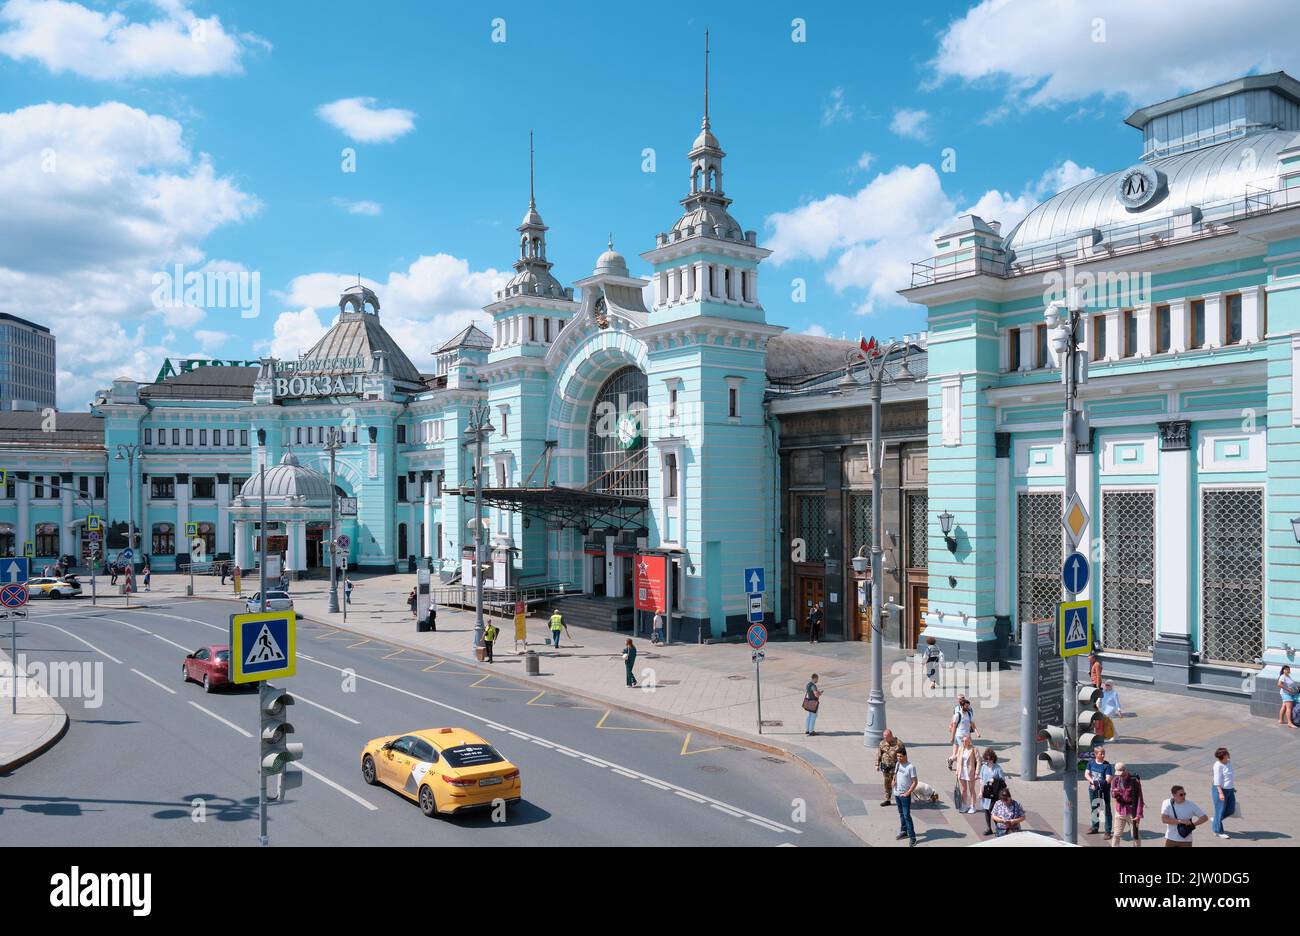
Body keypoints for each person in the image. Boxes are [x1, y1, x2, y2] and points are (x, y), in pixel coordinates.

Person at [1111, 761, 1145, 847]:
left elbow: (1140, 798)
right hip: (1120, 810)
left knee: (1135, 835)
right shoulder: (1115, 779)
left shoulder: (1134, 781)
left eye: (1121, 773)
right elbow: (1112, 793)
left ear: (1125, 770)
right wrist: (1115, 793)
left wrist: (1138, 814)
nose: (1119, 775)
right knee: (1116, 834)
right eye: (1118, 773)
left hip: (1132, 811)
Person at [1086, 745, 1115, 837]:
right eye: (1101, 754)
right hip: (1093, 790)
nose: (1103, 755)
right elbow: (1086, 774)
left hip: (1104, 790)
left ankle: (1107, 831)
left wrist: (1097, 784)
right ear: (1095, 754)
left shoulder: (1107, 765)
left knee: (1106, 809)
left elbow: (1108, 779)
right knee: (1095, 808)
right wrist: (1093, 783)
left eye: (1103, 753)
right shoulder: (1091, 763)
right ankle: (1094, 827)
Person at [892, 747, 918, 846]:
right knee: (901, 813)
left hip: (905, 795)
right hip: (897, 793)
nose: (899, 758)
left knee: (907, 815)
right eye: (897, 756)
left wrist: (908, 792)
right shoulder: (898, 764)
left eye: (901, 756)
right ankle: (904, 831)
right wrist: (893, 781)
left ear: (905, 755)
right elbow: (895, 774)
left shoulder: (911, 767)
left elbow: (915, 782)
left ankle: (913, 837)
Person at [978, 748, 1006, 836]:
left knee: (992, 810)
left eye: (989, 759)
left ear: (993, 758)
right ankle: (989, 828)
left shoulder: (998, 768)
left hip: (995, 793)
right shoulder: (984, 767)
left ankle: (999, 828)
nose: (988, 761)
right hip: (986, 792)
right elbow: (981, 780)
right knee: (986, 810)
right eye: (986, 759)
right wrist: (980, 792)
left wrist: (994, 779)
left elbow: (1003, 780)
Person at [947, 696, 979, 769]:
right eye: (966, 706)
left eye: (968, 706)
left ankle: (951, 759)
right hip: (960, 736)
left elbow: (972, 723)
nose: (968, 707)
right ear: (962, 705)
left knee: (968, 751)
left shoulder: (969, 713)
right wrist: (952, 737)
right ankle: (962, 766)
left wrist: (977, 733)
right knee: (963, 752)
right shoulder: (957, 714)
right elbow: (954, 726)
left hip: (967, 736)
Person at [1211, 747, 1235, 839]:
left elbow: (1229, 777)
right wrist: (1220, 793)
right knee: (1220, 810)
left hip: (1230, 789)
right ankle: (1218, 831)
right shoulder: (1218, 765)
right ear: (1223, 756)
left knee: (1231, 809)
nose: (1228, 754)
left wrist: (1233, 788)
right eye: (1227, 754)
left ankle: (1216, 820)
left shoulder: (1229, 762)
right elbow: (1217, 781)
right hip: (1220, 790)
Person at [876, 729, 905, 806]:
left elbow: (904, 756)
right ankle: (887, 799)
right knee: (887, 784)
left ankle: (901, 799)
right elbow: (879, 754)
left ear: (891, 736)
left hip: (895, 769)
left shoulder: (899, 743)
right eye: (884, 736)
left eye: (887, 737)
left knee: (898, 784)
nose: (885, 738)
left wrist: (904, 767)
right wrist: (877, 765)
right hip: (886, 768)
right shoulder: (882, 743)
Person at [955, 734, 979, 814]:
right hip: (962, 772)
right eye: (963, 741)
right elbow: (958, 758)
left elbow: (979, 761)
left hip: (970, 772)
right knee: (964, 790)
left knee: (971, 790)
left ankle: (973, 806)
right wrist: (957, 770)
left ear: (969, 741)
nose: (964, 742)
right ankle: (964, 805)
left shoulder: (974, 749)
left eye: (966, 741)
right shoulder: (961, 748)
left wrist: (977, 772)